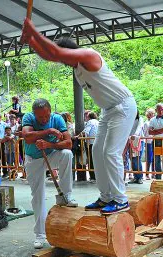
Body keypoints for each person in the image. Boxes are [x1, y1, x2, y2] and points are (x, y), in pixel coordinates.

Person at [21, 20, 138, 214]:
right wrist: (31, 42)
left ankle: (120, 199)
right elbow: (51, 55)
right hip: (107, 110)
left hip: (123, 106)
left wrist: (33, 30)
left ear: (70, 51)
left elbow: (55, 53)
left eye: (64, 57)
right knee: (97, 152)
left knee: (111, 153)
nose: (62, 62)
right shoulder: (77, 69)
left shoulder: (89, 55)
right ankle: (106, 197)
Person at [22, 99, 77, 249]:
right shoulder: (27, 117)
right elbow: (27, 136)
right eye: (40, 118)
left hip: (51, 154)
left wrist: (49, 144)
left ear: (50, 111)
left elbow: (68, 143)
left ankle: (66, 195)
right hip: (33, 159)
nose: (44, 119)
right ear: (34, 114)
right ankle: (40, 234)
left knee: (66, 154)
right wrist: (49, 131)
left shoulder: (57, 119)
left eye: (46, 116)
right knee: (38, 196)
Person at [149, 103, 163, 180]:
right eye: (159, 109)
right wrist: (161, 130)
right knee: (156, 159)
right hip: (155, 141)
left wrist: (155, 131)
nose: (161, 111)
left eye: (162, 109)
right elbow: (150, 132)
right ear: (156, 110)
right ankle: (158, 177)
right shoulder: (152, 119)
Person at [80, 112, 99, 182]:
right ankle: (98, 176)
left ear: (88, 117)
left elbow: (86, 131)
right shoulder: (98, 122)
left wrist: (78, 136)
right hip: (98, 143)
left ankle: (93, 177)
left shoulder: (90, 122)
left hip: (91, 143)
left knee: (91, 160)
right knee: (97, 160)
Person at [128, 115, 145, 184]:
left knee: (137, 159)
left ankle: (140, 177)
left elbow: (139, 127)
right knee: (133, 160)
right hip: (131, 140)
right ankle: (135, 177)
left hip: (139, 140)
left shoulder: (140, 119)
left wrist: (134, 135)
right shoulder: (129, 118)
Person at [144, 108, 156, 180]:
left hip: (154, 140)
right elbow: (145, 133)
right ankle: (147, 173)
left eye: (152, 114)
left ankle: (153, 172)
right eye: (149, 114)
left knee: (154, 157)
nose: (151, 116)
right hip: (148, 141)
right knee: (149, 158)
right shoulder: (146, 123)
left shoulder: (155, 122)